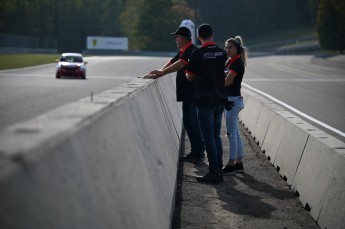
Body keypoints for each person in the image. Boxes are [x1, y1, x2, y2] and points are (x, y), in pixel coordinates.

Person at [144, 26, 205, 164]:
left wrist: (161, 73)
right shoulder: (184, 50)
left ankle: (199, 154)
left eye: (176, 37)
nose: (175, 40)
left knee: (193, 124)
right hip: (187, 94)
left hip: (193, 94)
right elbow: (172, 62)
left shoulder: (192, 50)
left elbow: (180, 64)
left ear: (182, 38)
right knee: (189, 123)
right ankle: (195, 152)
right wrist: (157, 72)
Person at [185, 23, 228, 183]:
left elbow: (189, 76)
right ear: (213, 34)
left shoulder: (197, 53)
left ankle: (214, 171)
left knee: (208, 137)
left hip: (204, 100)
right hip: (219, 99)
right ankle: (219, 168)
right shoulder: (222, 53)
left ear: (198, 37)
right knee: (216, 135)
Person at [222, 36, 247, 175]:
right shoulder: (229, 62)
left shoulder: (237, 63)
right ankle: (238, 162)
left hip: (232, 100)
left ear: (237, 49)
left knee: (231, 134)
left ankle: (231, 164)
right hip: (230, 99)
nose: (227, 49)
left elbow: (227, 82)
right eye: (226, 47)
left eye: (230, 47)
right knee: (235, 133)